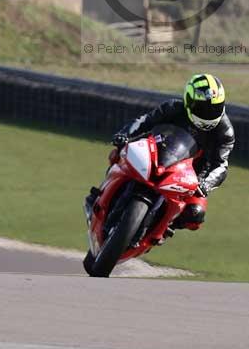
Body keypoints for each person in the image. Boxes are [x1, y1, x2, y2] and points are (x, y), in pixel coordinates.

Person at [85, 73, 235, 231]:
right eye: (203, 108)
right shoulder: (173, 108)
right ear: (189, 101)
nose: (209, 113)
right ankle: (98, 196)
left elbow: (221, 165)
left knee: (195, 214)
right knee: (119, 154)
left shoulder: (225, 133)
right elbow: (145, 121)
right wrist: (125, 135)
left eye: (214, 108)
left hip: (191, 178)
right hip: (159, 154)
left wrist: (205, 184)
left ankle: (164, 229)